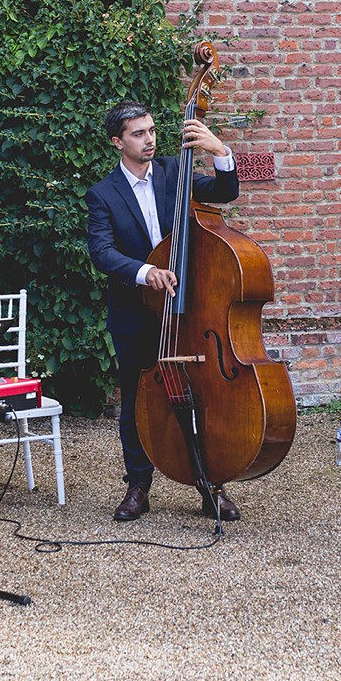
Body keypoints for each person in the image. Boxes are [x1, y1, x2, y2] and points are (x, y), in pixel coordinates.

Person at [86, 100, 240, 522]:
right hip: (137, 313)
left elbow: (225, 193)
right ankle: (138, 486)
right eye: (138, 133)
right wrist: (144, 271)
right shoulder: (102, 194)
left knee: (201, 395)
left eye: (152, 131)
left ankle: (210, 485)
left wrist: (218, 150)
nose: (149, 139)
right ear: (118, 141)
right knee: (138, 402)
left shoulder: (176, 171)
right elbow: (101, 251)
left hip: (190, 311)